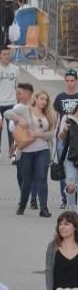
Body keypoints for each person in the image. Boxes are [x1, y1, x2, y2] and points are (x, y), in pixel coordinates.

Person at [6, 89, 55, 217]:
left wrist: (38, 134)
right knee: (26, 180)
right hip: (26, 150)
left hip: (43, 150)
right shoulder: (25, 109)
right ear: (35, 99)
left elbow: (51, 134)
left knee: (42, 178)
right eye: (41, 99)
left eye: (46, 100)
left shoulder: (49, 114)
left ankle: (44, 208)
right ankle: (22, 205)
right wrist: (18, 119)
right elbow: (7, 113)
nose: (44, 102)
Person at [53, 68, 78, 209]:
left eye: (72, 80)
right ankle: (66, 198)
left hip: (77, 137)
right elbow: (55, 117)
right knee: (64, 166)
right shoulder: (60, 97)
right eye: (67, 80)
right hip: (63, 137)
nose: (70, 83)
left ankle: (73, 199)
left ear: (76, 81)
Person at [58, 102, 78, 211]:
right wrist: (65, 129)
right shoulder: (67, 118)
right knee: (71, 186)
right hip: (70, 157)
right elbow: (60, 137)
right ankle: (71, 208)